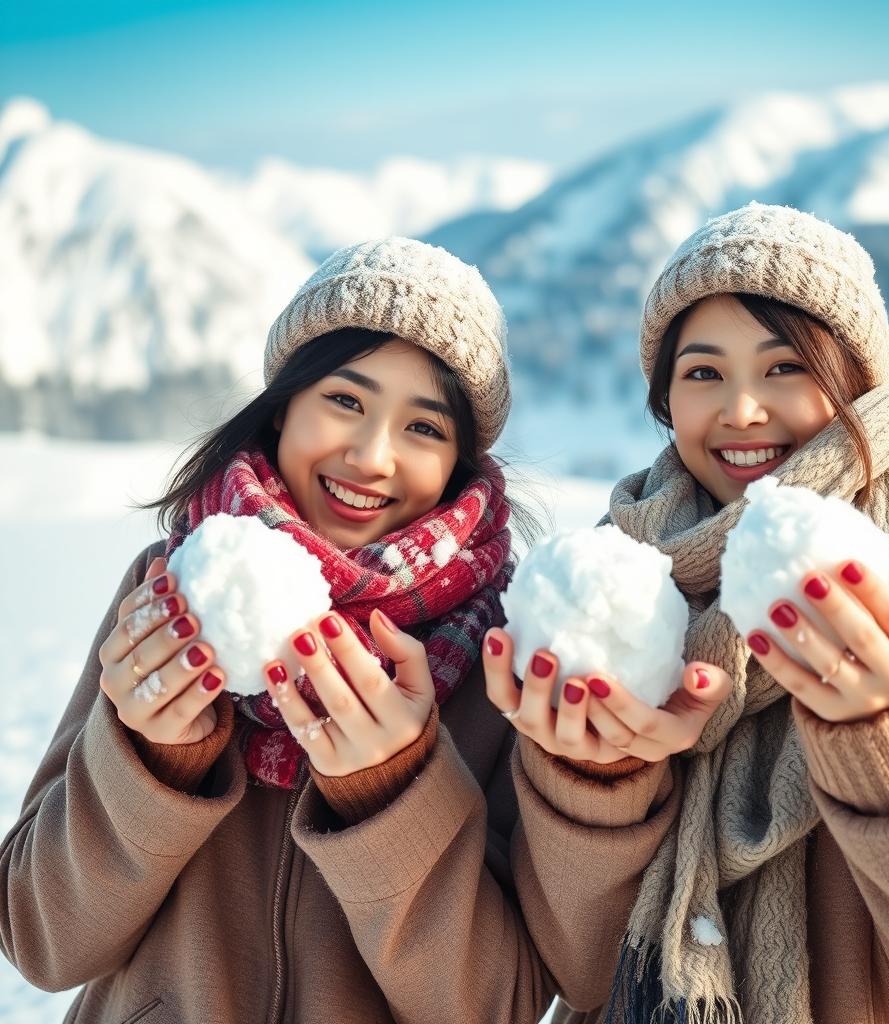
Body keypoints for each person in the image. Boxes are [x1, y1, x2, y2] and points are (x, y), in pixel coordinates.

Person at [484, 204, 889, 1024]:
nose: (742, 410)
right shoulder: (607, 592)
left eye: (784, 369)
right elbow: (583, 977)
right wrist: (601, 778)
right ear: (665, 398)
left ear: (856, 386)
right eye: (703, 373)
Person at [0, 238, 558, 1024]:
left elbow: (498, 1007)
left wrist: (390, 791)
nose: (372, 456)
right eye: (345, 400)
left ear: (460, 463)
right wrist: (153, 762)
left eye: (424, 428)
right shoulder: (168, 593)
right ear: (284, 404)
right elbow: (40, 939)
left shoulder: (501, 649)